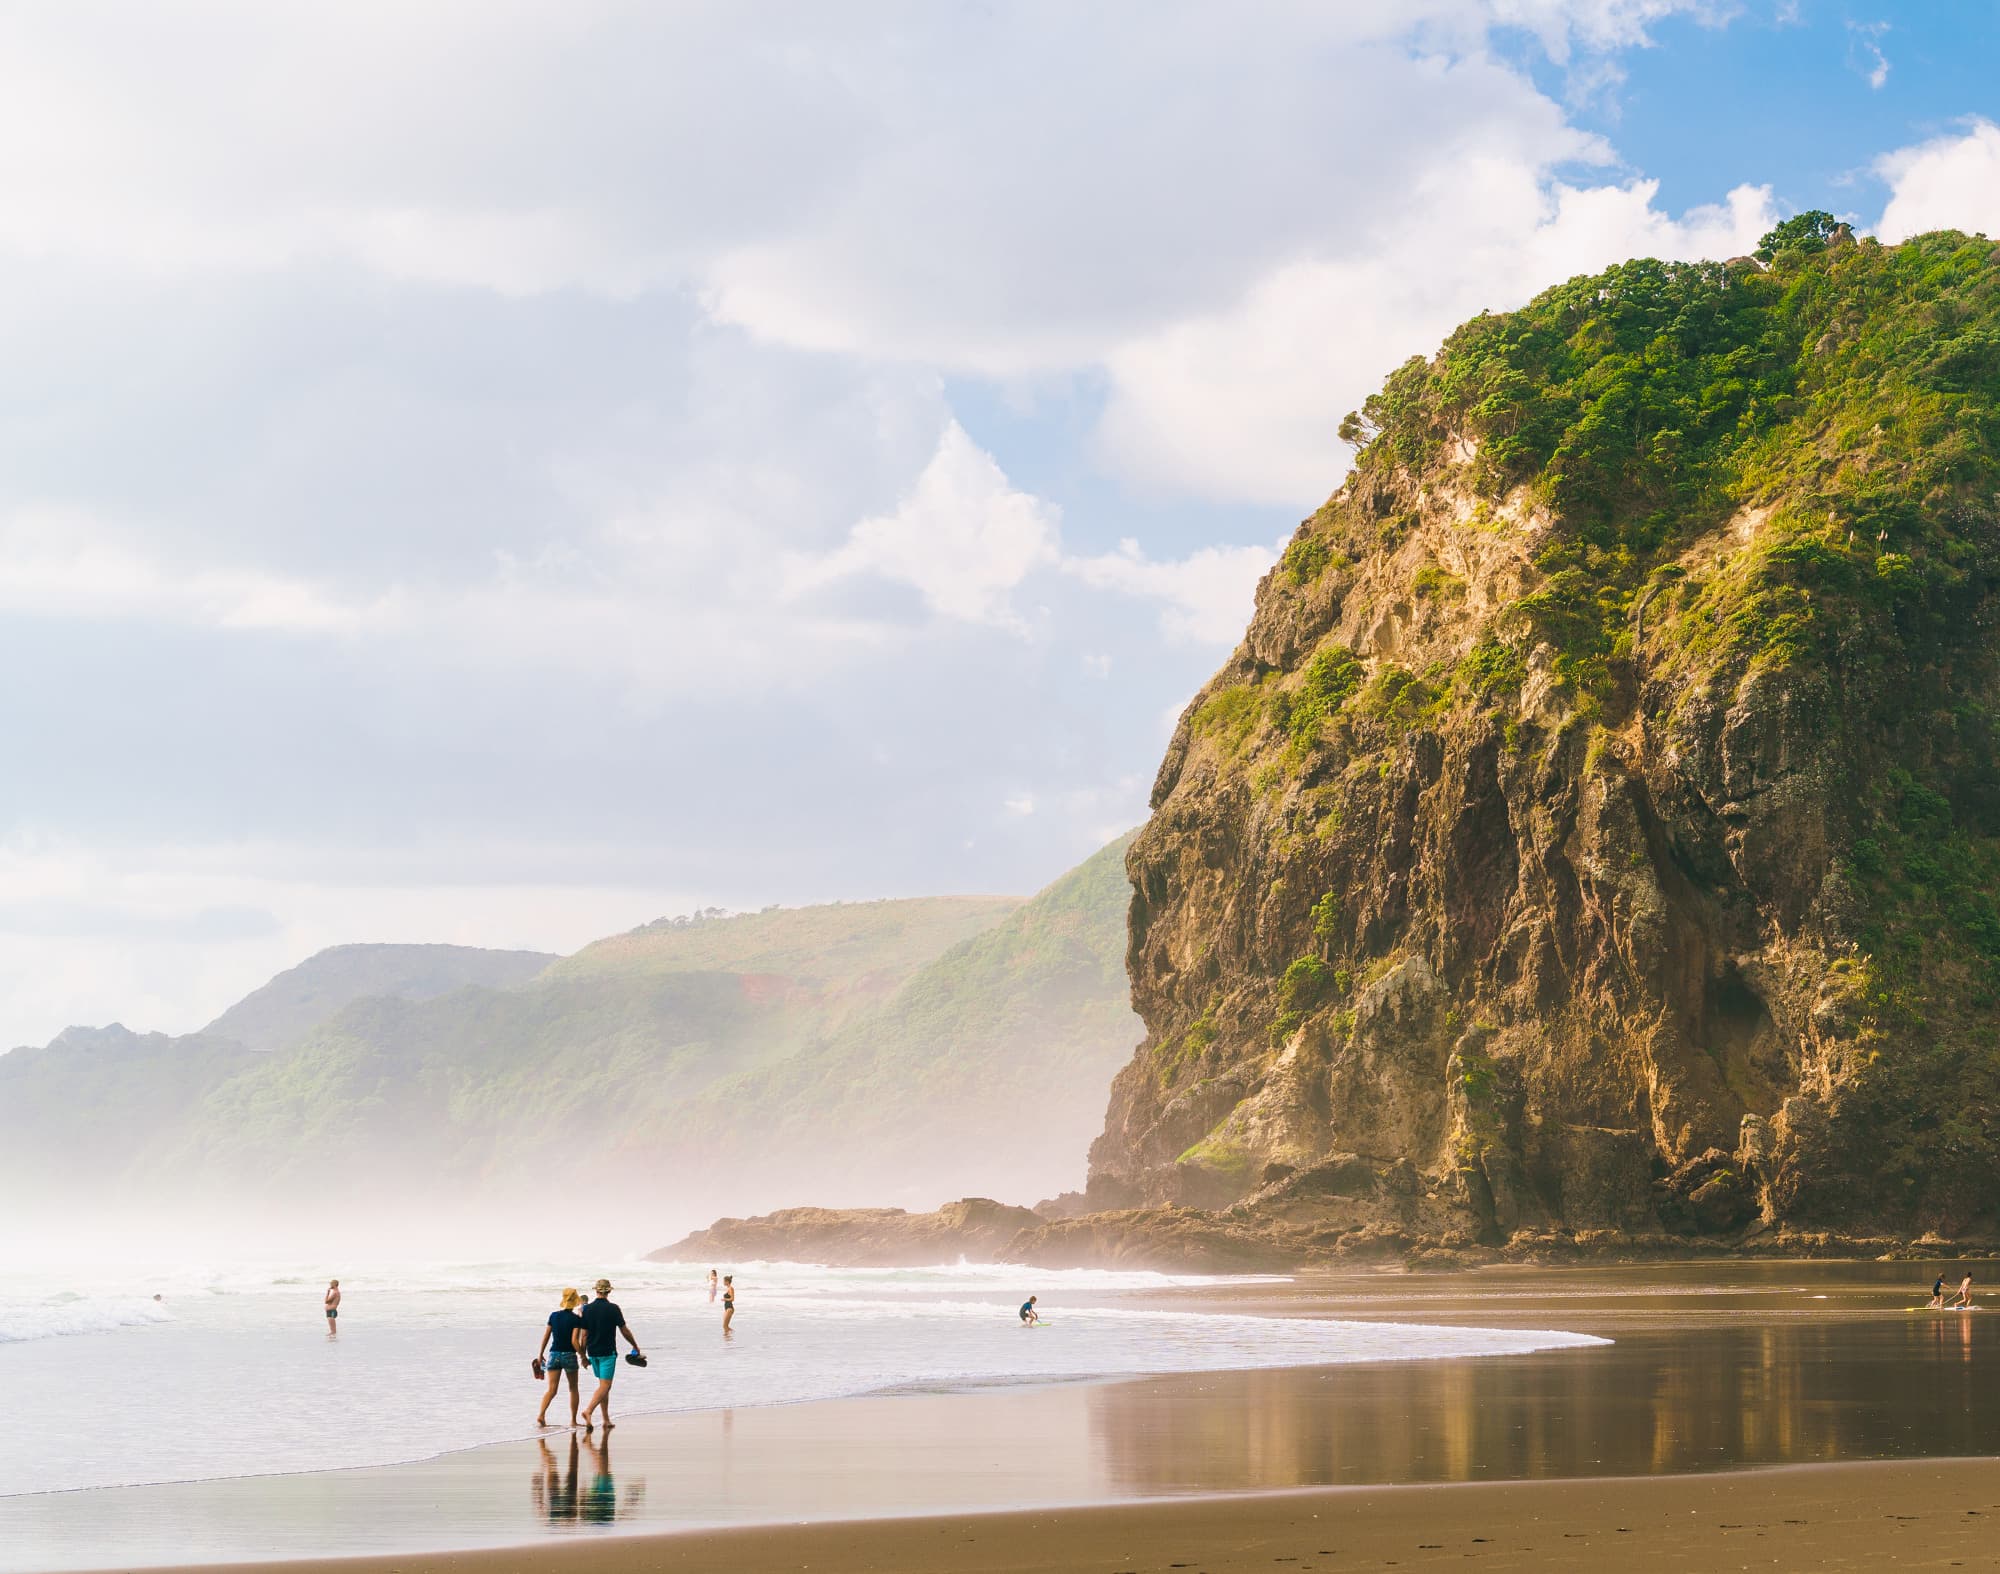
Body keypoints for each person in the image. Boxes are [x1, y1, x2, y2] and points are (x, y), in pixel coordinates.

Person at [577, 1279, 642, 1430]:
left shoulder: (587, 1309)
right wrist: (635, 1345)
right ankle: (588, 1411)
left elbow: (584, 1335)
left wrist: (583, 1356)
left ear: (596, 1291)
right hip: (607, 1352)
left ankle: (606, 1420)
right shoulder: (613, 1308)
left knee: (603, 1386)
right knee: (606, 1386)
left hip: (592, 1352)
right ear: (609, 1291)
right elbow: (624, 1330)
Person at [537, 1287, 587, 1428]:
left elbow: (546, 1336)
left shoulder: (553, 1316)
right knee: (573, 1388)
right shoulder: (576, 1319)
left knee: (552, 1390)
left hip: (553, 1354)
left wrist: (540, 1354)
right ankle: (573, 1421)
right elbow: (574, 1341)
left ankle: (541, 1415)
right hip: (569, 1355)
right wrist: (583, 1356)